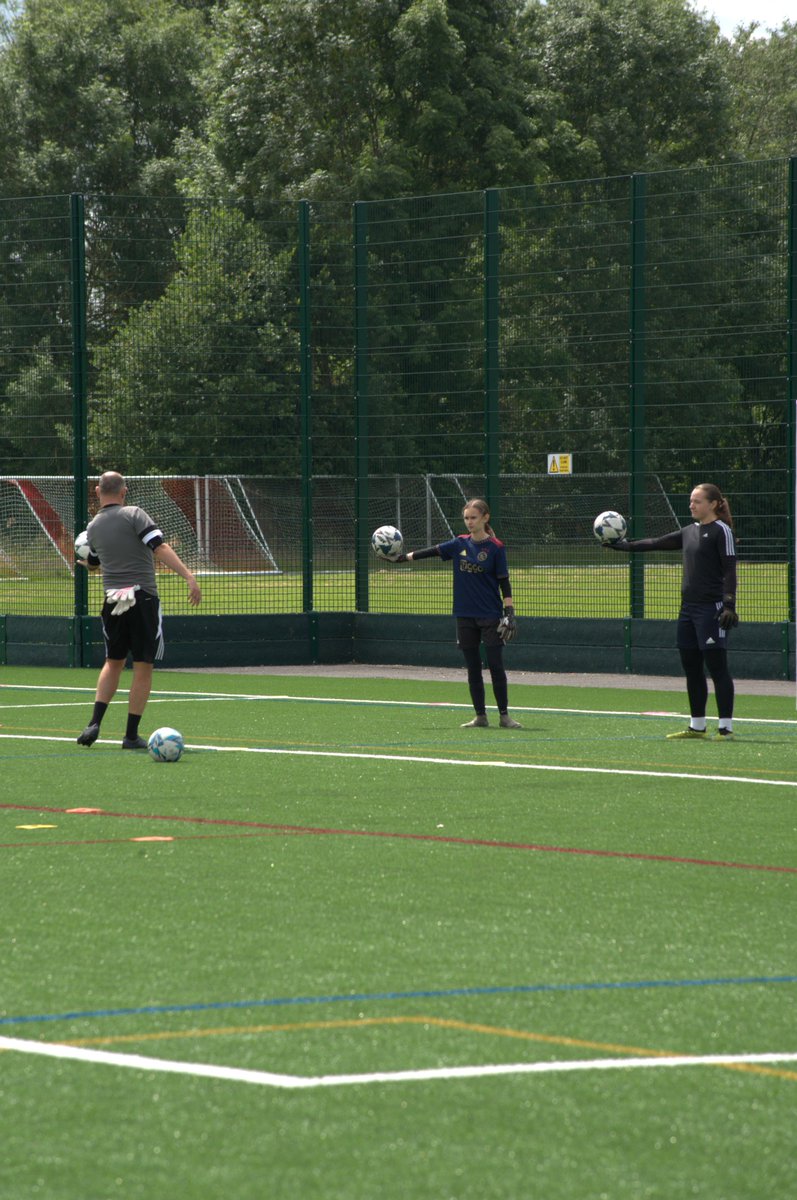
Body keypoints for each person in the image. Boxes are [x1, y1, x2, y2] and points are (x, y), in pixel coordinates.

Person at [77, 471, 202, 749]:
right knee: (143, 667)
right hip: (142, 598)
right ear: (124, 491)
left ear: (98, 491)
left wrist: (90, 566)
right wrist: (188, 576)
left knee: (113, 662)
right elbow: (158, 547)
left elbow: (95, 562)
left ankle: (94, 722)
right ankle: (131, 735)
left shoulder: (93, 527)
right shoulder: (134, 514)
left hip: (112, 601)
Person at [605, 482, 737, 739]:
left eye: (697, 501)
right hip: (687, 610)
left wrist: (729, 604)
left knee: (717, 666)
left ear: (712, 504)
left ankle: (725, 727)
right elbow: (656, 542)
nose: (692, 505)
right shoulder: (690, 531)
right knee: (691, 666)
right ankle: (697, 725)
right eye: (691, 500)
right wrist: (625, 546)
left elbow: (730, 569)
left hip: (711, 609)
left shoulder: (722, 531)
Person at [395, 498, 522, 729]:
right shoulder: (459, 543)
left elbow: (504, 583)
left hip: (490, 615)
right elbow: (432, 551)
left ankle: (504, 716)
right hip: (464, 615)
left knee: (495, 665)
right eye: (466, 518)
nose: (469, 522)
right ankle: (480, 717)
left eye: (474, 517)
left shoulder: (496, 548)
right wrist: (402, 558)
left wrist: (509, 611)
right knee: (473, 667)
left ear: (485, 518)